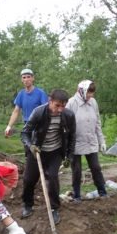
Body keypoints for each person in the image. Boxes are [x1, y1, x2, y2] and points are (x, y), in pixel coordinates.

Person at [20, 89, 76, 224]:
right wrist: (30, 146)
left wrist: (70, 155)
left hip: (55, 152)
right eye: (57, 105)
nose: (60, 109)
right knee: (28, 180)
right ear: (50, 101)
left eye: (63, 106)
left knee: (53, 177)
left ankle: (54, 208)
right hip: (37, 151)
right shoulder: (39, 112)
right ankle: (28, 204)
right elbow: (24, 133)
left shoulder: (68, 116)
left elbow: (72, 136)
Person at [67, 80, 107, 201]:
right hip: (76, 142)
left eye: (92, 93)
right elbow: (66, 125)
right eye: (89, 92)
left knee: (95, 167)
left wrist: (102, 141)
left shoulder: (93, 103)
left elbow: (97, 123)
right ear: (82, 91)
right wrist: (66, 146)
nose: (90, 95)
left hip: (91, 140)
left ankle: (102, 191)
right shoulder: (71, 103)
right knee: (77, 170)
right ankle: (77, 194)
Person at [4, 69, 49, 138]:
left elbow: (47, 109)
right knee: (27, 146)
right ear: (21, 79)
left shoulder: (40, 93)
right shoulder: (21, 94)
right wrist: (9, 127)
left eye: (28, 77)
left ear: (32, 78)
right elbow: (16, 111)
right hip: (27, 124)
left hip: (39, 125)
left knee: (38, 147)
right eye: (24, 77)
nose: (26, 79)